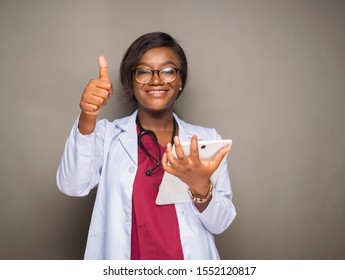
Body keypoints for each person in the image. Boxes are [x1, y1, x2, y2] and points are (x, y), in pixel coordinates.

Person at [56, 32, 236, 260]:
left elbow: (220, 223)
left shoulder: (206, 140)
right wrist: (88, 117)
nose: (156, 79)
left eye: (168, 71)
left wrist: (201, 188)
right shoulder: (107, 135)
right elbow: (72, 186)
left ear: (181, 80)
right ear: (131, 80)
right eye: (143, 71)